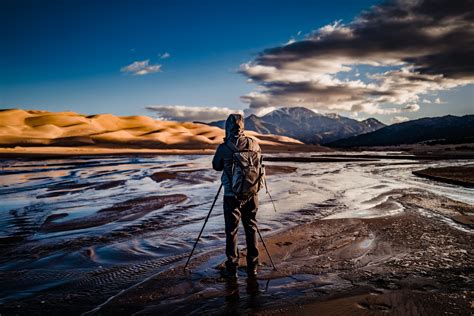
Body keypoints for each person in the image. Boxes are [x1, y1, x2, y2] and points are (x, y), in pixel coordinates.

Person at [212, 114, 261, 278]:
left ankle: (232, 266)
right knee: (251, 228)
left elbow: (216, 166)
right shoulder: (254, 143)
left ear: (227, 127)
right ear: (243, 126)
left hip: (231, 195)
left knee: (232, 231)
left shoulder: (224, 147)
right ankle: (253, 265)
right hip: (252, 193)